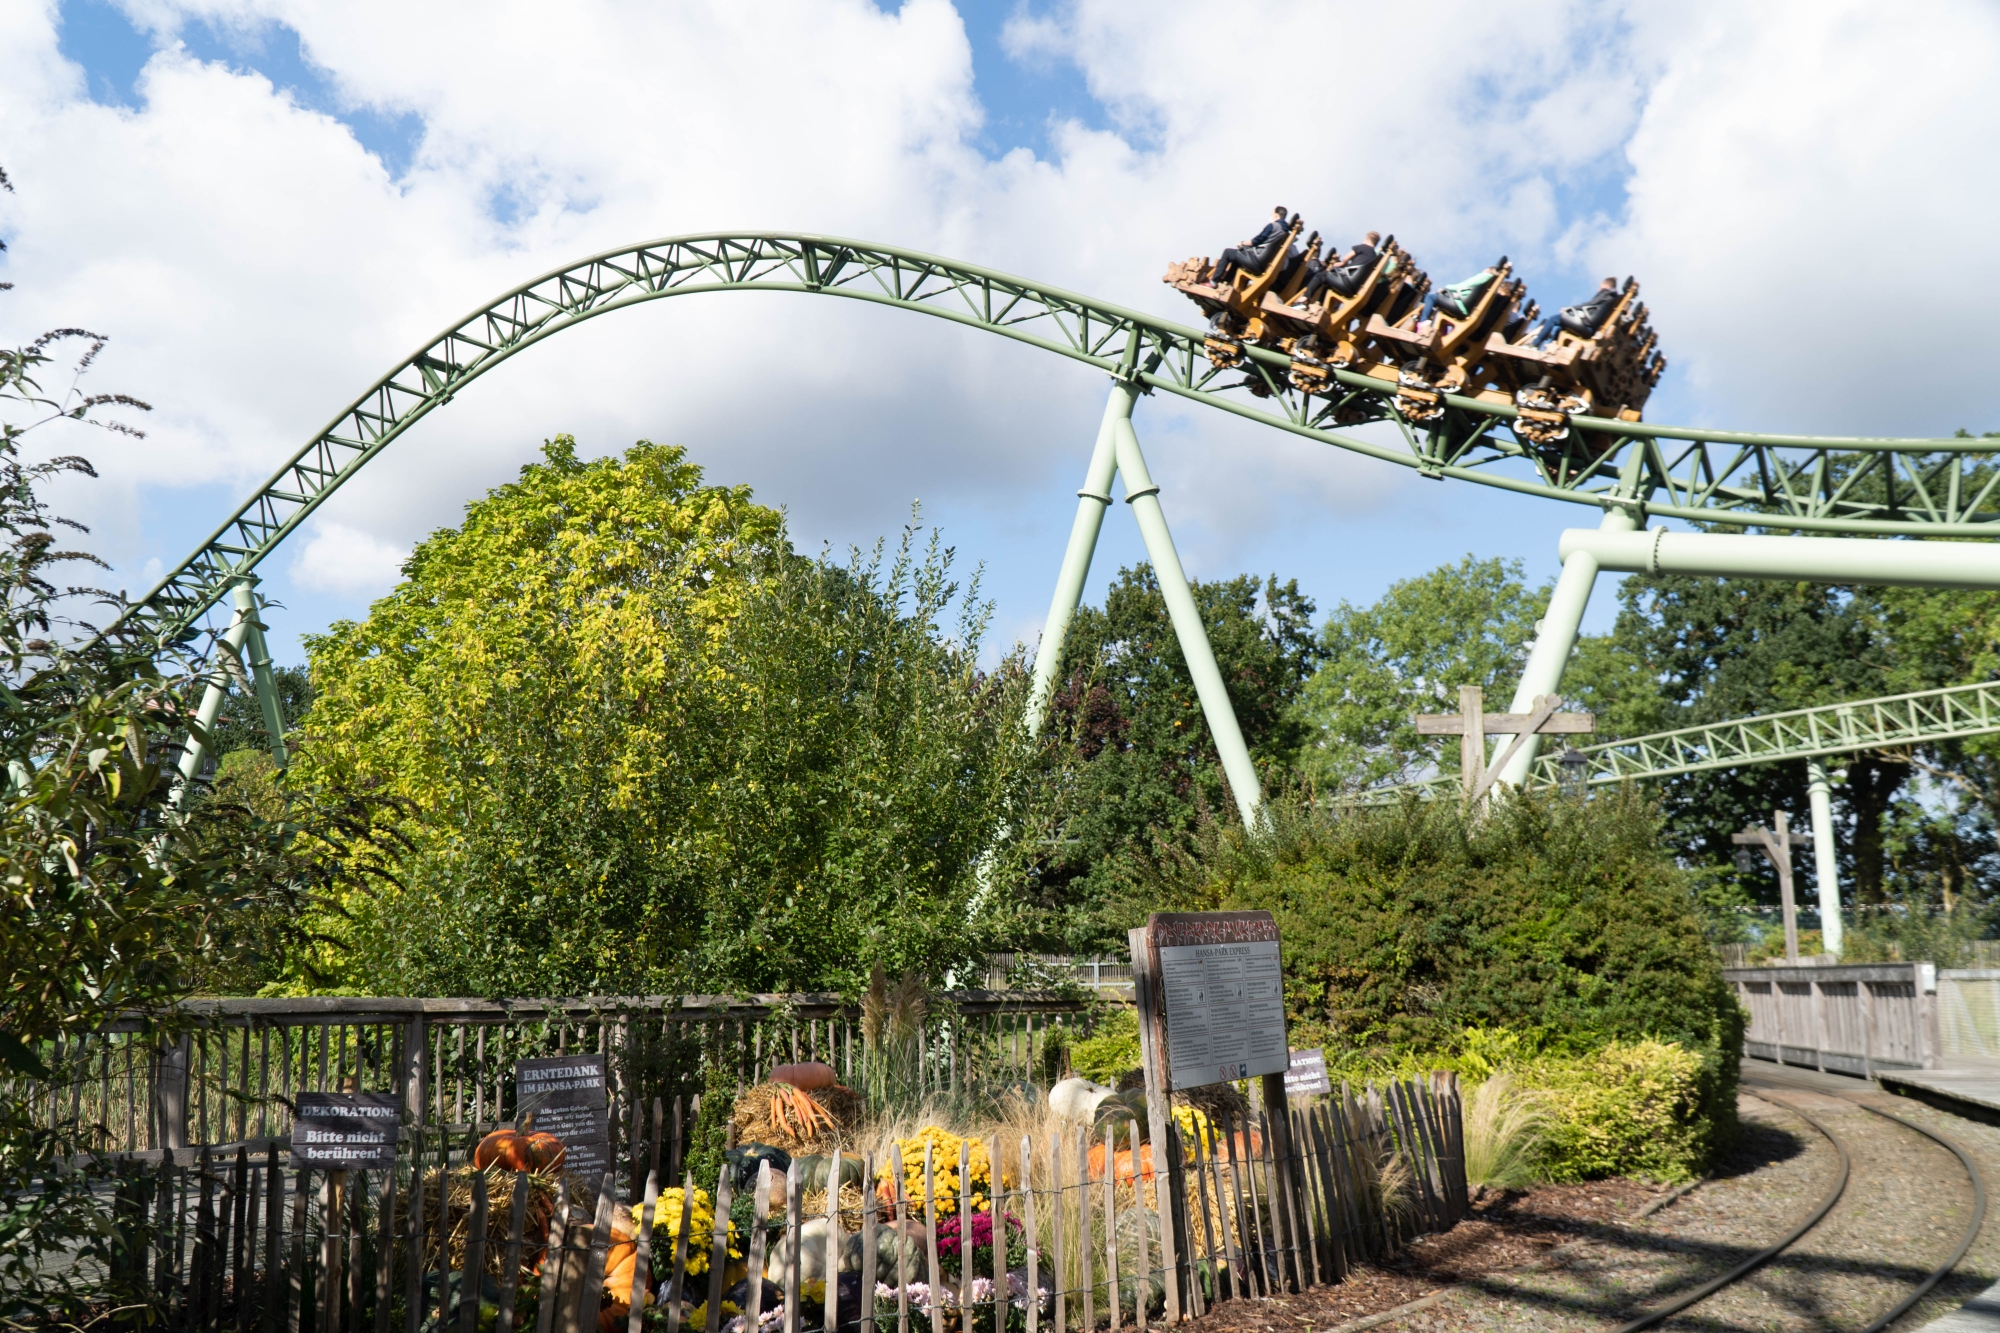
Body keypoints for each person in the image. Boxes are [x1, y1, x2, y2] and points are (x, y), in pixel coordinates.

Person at [1528, 277, 1620, 347]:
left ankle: (1534, 344)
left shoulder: (1605, 293)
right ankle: (1553, 347)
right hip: (1590, 329)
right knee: (1560, 328)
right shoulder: (1612, 299)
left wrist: (1568, 309)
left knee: (1553, 319)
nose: (1598, 290)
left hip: (1585, 325)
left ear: (1605, 285)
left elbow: (1589, 304)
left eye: (1599, 286)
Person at [1296, 231, 1381, 307]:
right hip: (1352, 290)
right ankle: (1319, 306)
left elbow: (1347, 258)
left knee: (1321, 275)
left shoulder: (1363, 247)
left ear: (1367, 239)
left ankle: (1304, 299)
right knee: (1329, 283)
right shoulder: (1373, 257)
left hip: (1344, 281)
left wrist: (1342, 263)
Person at [1212, 206, 1290, 286]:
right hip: (1263, 265)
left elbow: (1255, 241)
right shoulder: (1285, 232)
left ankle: (1214, 282)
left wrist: (1242, 243)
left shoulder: (1273, 226)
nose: (1270, 215)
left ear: (1276, 215)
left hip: (1255, 260)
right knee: (1237, 258)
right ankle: (1225, 283)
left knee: (1227, 252)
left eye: (1272, 214)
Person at [1418, 266, 1499, 329]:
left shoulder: (1484, 276)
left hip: (1459, 305)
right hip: (1464, 309)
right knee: (1441, 310)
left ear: (1489, 270)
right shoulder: (1490, 286)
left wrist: (1446, 288)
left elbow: (1464, 285)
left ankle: (1422, 322)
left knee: (1430, 297)